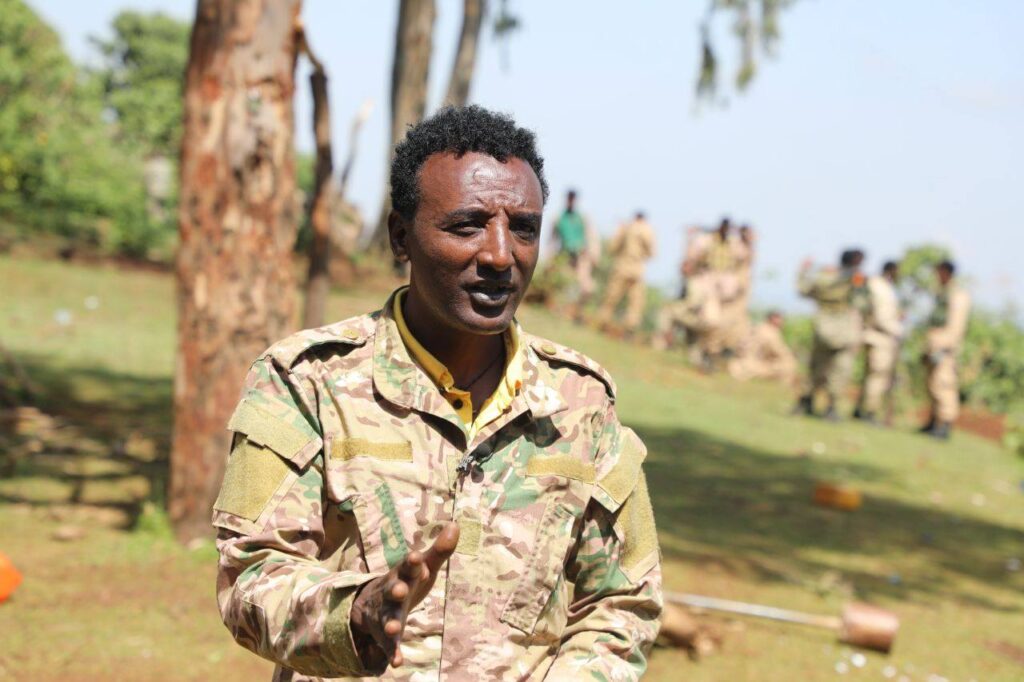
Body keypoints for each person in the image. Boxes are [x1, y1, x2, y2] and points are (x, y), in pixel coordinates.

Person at [212, 106, 662, 681]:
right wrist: (352, 615)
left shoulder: (581, 402)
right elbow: (250, 574)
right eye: (467, 225)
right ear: (401, 236)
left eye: (524, 228)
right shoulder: (308, 382)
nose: (501, 255)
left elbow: (622, 603)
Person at [793, 249, 867, 420]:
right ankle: (824, 405)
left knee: (821, 368)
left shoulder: (826, 276)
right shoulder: (852, 279)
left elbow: (804, 289)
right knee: (835, 369)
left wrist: (804, 271)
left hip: (827, 326)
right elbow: (862, 302)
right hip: (840, 327)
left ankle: (812, 402)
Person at [920, 260, 971, 439]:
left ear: (945, 272)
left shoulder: (958, 295)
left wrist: (943, 347)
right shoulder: (943, 292)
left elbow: (956, 327)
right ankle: (934, 422)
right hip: (934, 345)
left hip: (945, 349)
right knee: (933, 385)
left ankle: (945, 426)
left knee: (944, 385)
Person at [854, 261, 903, 425]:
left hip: (870, 334)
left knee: (870, 375)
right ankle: (870, 412)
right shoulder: (882, 289)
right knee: (878, 376)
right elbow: (883, 318)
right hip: (880, 337)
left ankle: (861, 409)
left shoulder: (874, 285)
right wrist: (898, 330)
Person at [597, 211, 656, 336]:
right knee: (635, 302)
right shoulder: (648, 231)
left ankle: (603, 321)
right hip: (638, 269)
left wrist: (621, 231)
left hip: (623, 266)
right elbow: (652, 253)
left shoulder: (627, 227)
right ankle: (630, 328)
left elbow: (613, 247)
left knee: (612, 296)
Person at [548, 189, 600, 319]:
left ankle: (579, 311)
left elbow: (592, 236)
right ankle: (563, 311)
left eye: (573, 199)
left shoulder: (582, 218)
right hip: (564, 257)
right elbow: (552, 239)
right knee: (563, 285)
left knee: (586, 287)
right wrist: (550, 257)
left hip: (581, 257)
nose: (571, 201)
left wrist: (594, 254)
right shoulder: (559, 218)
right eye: (569, 198)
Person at [728, 310, 798, 385]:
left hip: (739, 362)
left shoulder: (757, 327)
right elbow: (781, 352)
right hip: (751, 365)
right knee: (789, 363)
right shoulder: (770, 332)